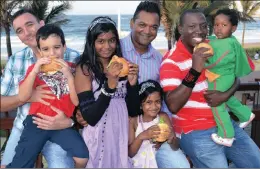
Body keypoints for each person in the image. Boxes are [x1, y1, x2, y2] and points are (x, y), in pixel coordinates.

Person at [74, 2, 190, 168]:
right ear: (132, 24)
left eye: (153, 27)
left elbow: (137, 107)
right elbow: (90, 112)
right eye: (142, 24)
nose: (107, 46)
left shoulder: (150, 60)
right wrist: (79, 112)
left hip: (125, 133)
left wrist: (133, 85)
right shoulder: (89, 67)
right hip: (101, 134)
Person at [160, 9, 260, 168]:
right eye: (192, 26)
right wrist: (195, 70)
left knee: (258, 163)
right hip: (195, 131)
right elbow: (173, 105)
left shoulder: (214, 44)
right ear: (180, 29)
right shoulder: (171, 61)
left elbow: (235, 76)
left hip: (224, 124)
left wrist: (225, 95)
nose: (199, 31)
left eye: (203, 26)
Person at [1, 9, 79, 168]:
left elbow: (83, 98)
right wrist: (26, 97)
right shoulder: (16, 60)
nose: (27, 33)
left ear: (42, 24)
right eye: (20, 31)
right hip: (24, 127)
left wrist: (70, 122)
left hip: (59, 127)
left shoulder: (72, 57)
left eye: (29, 24)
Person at [74, 16, 139, 168]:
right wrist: (109, 85)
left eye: (112, 40)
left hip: (119, 136)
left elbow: (134, 110)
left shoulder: (123, 66)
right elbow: (90, 117)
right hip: (98, 137)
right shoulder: (85, 69)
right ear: (92, 43)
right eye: (100, 41)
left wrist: (133, 84)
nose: (107, 46)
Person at [205, 9, 255, 147]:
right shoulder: (230, 40)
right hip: (227, 78)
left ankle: (226, 135)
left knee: (216, 105)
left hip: (218, 77)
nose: (218, 28)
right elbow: (214, 41)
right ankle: (245, 114)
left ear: (233, 28)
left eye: (223, 25)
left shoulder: (225, 44)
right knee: (228, 98)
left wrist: (202, 62)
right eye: (216, 25)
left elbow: (215, 62)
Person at [129, 80, 179, 168]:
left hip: (159, 163)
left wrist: (171, 140)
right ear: (140, 104)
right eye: (149, 102)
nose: (154, 106)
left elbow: (175, 147)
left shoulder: (163, 117)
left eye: (158, 101)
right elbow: (130, 153)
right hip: (139, 164)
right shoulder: (134, 121)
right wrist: (141, 136)